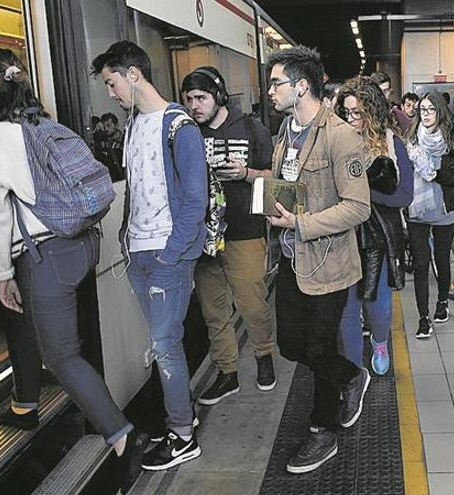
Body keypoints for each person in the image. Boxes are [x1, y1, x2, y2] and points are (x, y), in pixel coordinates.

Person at [0, 49, 147, 493]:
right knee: (68, 341)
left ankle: (123, 438)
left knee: (62, 356)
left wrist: (0, 273)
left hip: (47, 258)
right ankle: (37, 400)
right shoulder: (47, 124)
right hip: (84, 245)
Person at [91, 40, 206, 471]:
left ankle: (183, 434)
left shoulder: (180, 127)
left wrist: (171, 255)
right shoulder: (135, 123)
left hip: (165, 253)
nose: (110, 92)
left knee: (164, 345)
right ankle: (177, 419)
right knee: (160, 344)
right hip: (138, 250)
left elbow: (195, 202)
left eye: (112, 82)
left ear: (133, 74)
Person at [265, 46, 371, 474]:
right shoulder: (284, 134)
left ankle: (321, 432)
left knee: (318, 345)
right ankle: (350, 375)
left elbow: (358, 207)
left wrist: (302, 223)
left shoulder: (341, 136)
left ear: (301, 85)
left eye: (276, 83)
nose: (270, 91)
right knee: (291, 344)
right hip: (291, 259)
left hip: (328, 261)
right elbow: (285, 185)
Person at [179, 66, 278, 405]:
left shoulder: (252, 128)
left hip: (245, 230)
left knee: (252, 301)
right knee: (213, 309)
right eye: (189, 99)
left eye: (201, 98)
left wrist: (246, 173)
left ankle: (264, 357)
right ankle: (227, 373)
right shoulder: (187, 132)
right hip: (202, 236)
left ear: (218, 96)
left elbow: (274, 176)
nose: (195, 106)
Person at [335, 76, 413, 375]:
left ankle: (380, 341)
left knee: (377, 305)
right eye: (346, 112)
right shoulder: (335, 141)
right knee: (347, 308)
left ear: (373, 112)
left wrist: (363, 196)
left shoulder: (392, 144)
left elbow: (405, 195)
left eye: (358, 113)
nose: (351, 119)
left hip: (375, 238)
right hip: (340, 235)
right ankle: (354, 374)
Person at [406, 92, 454, 338]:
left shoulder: (452, 141)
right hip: (416, 211)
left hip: (444, 209)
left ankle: (442, 301)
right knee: (421, 264)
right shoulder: (411, 141)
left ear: (440, 112)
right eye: (423, 110)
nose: (426, 114)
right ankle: (423, 317)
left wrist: (434, 172)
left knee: (442, 259)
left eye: (431, 109)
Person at [94, 112, 125, 180]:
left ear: (116, 125)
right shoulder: (102, 140)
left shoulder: (124, 139)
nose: (106, 128)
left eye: (109, 125)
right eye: (104, 126)